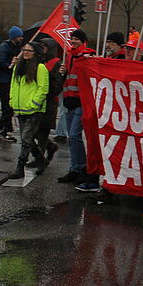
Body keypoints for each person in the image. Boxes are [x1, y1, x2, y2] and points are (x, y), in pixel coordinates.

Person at [56, 29, 96, 187]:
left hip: (81, 101)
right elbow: (68, 79)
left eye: (76, 39)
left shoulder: (86, 56)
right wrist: (62, 73)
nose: (73, 41)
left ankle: (80, 167)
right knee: (73, 138)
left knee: (74, 135)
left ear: (83, 41)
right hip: (69, 101)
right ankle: (75, 168)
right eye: (71, 39)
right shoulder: (69, 56)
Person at [7, 42, 49, 179]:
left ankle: (20, 168)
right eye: (24, 49)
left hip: (33, 110)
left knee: (25, 139)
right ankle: (41, 159)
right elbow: (13, 85)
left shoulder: (40, 67)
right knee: (27, 139)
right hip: (20, 108)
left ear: (35, 53)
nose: (25, 52)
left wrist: (34, 104)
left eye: (29, 50)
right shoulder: (18, 67)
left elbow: (43, 88)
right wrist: (12, 101)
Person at [31, 37, 63, 165]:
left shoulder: (57, 63)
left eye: (44, 46)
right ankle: (49, 147)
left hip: (49, 101)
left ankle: (39, 157)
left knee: (43, 130)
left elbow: (58, 84)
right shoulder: (39, 61)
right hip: (37, 99)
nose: (42, 48)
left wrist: (47, 94)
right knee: (33, 130)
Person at [0, 26, 23, 142]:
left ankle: (2, 128)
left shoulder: (18, 47)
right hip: (3, 81)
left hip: (12, 81)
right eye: (19, 36)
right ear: (14, 37)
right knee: (7, 107)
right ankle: (5, 130)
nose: (21, 38)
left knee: (9, 107)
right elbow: (1, 62)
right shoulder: (4, 46)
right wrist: (11, 64)